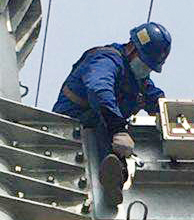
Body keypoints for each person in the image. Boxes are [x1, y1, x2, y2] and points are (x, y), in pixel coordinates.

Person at [53, 22, 172, 205]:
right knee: (105, 127)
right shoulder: (106, 59)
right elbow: (99, 90)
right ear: (132, 48)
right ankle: (112, 178)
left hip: (100, 127)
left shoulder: (137, 79)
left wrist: (171, 115)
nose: (146, 70)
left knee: (117, 134)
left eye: (150, 67)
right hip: (73, 124)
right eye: (145, 63)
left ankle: (115, 175)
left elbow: (153, 98)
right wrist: (118, 129)